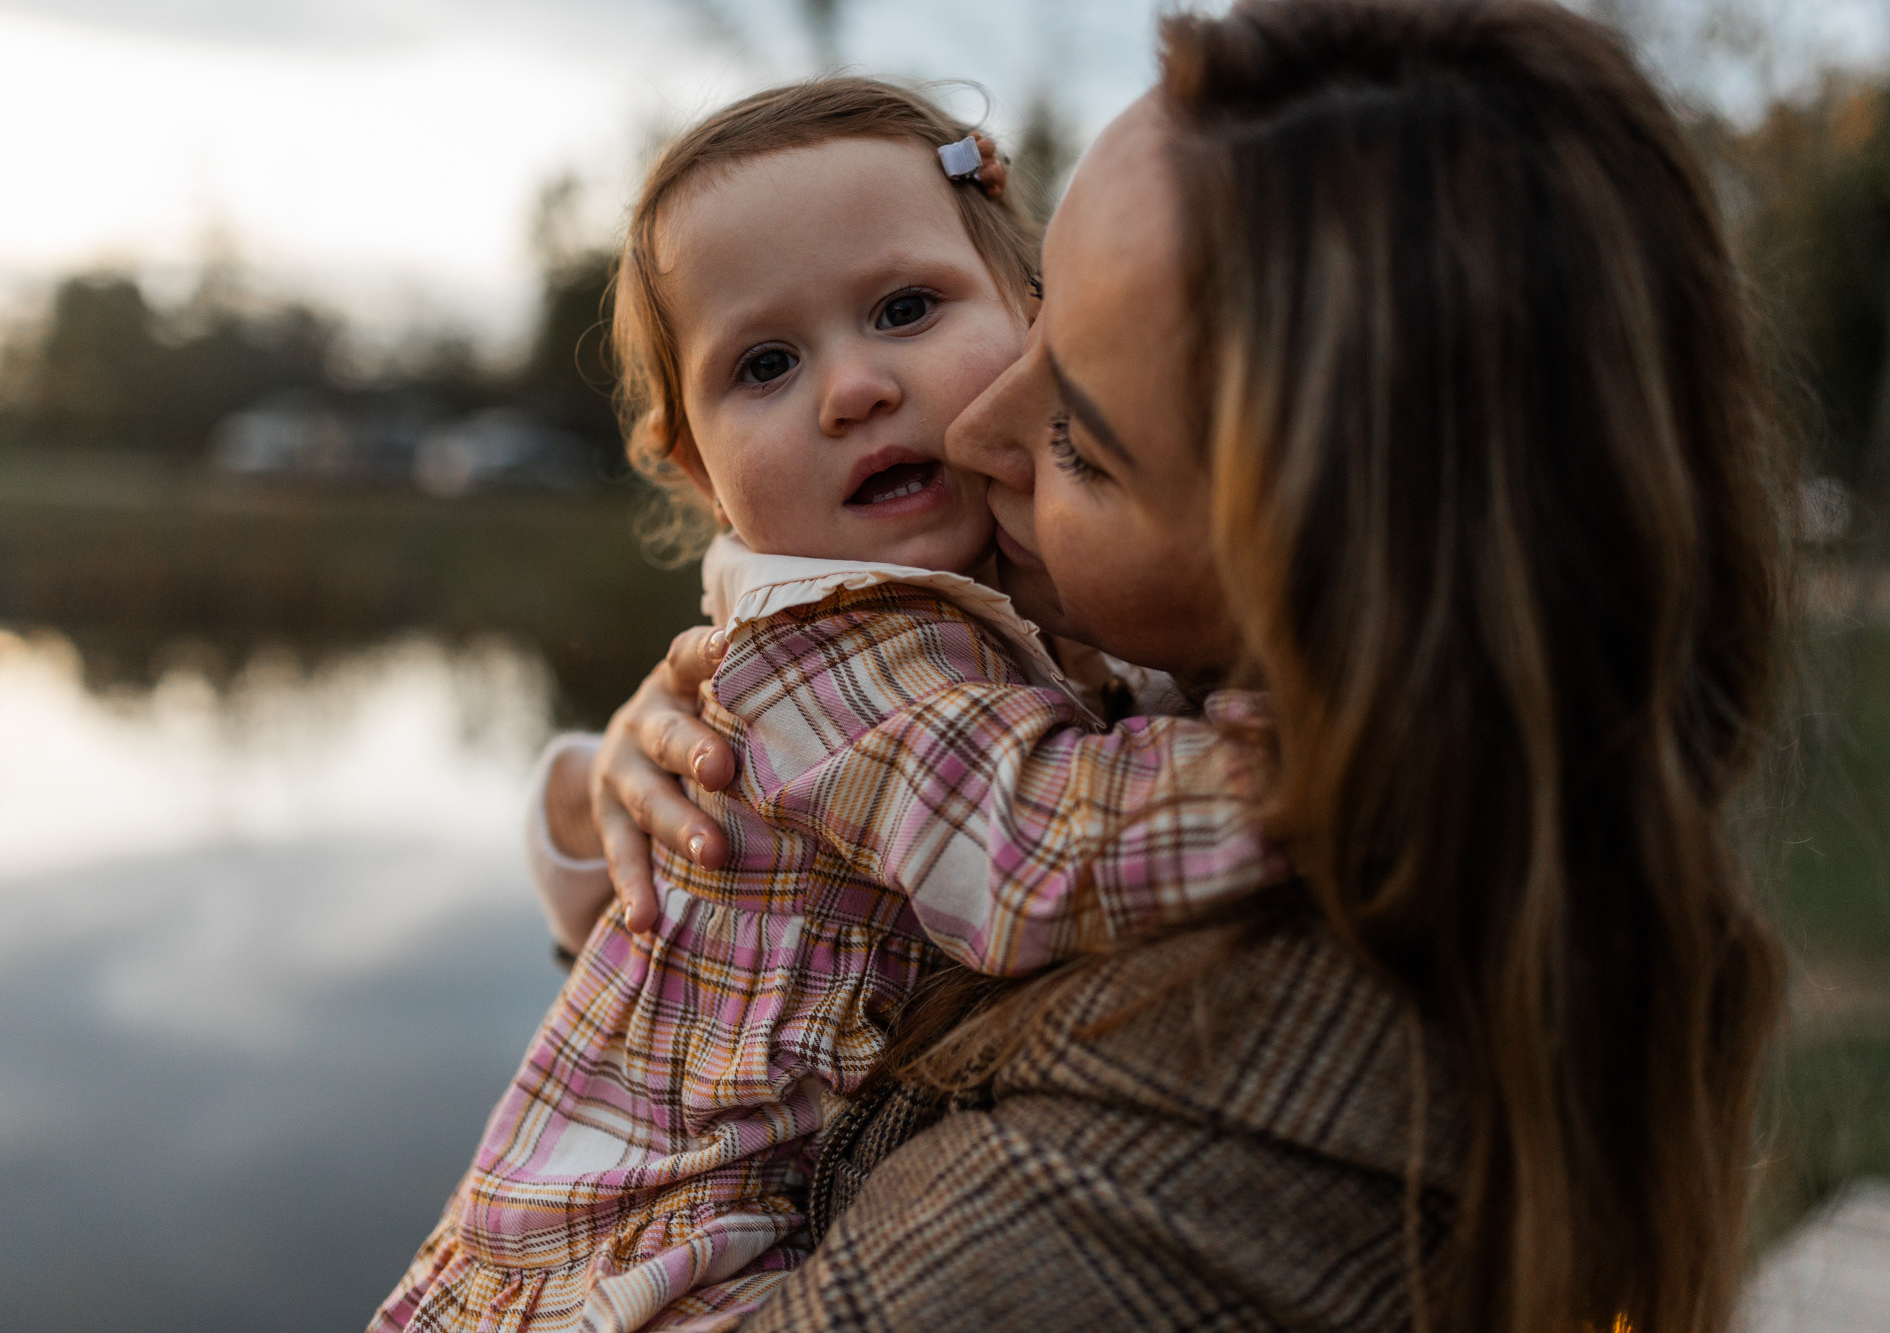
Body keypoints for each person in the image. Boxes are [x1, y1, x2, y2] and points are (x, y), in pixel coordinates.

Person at [562, 3, 1792, 1329]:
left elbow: (1033, 841)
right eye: (766, 363)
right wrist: (597, 794)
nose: (966, 422)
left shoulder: (1250, 1091)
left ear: (1330, 560)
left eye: (1080, 432)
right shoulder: (882, 652)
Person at [372, 78, 1282, 1333]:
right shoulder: (825, 640)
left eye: (905, 308)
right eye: (764, 363)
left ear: (1035, 317)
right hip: (634, 1266)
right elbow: (1039, 849)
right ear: (699, 469)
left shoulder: (997, 606)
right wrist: (1332, 760)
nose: (851, 387)